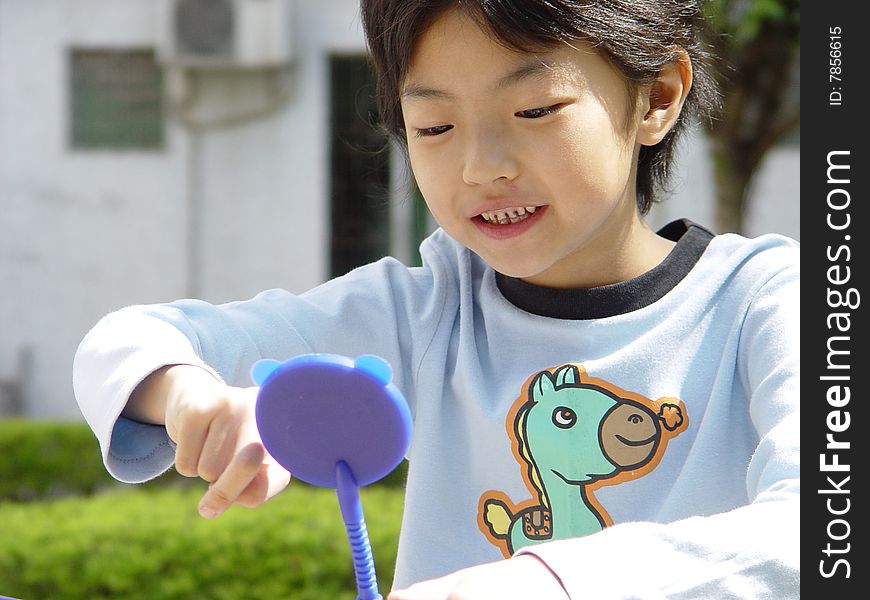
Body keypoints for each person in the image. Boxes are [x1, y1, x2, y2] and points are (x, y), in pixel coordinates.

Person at [73, 1, 800, 598]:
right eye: (435, 127)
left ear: (658, 97)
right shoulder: (427, 311)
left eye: (537, 109)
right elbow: (128, 342)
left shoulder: (767, 303)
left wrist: (547, 581)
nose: (483, 166)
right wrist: (188, 396)